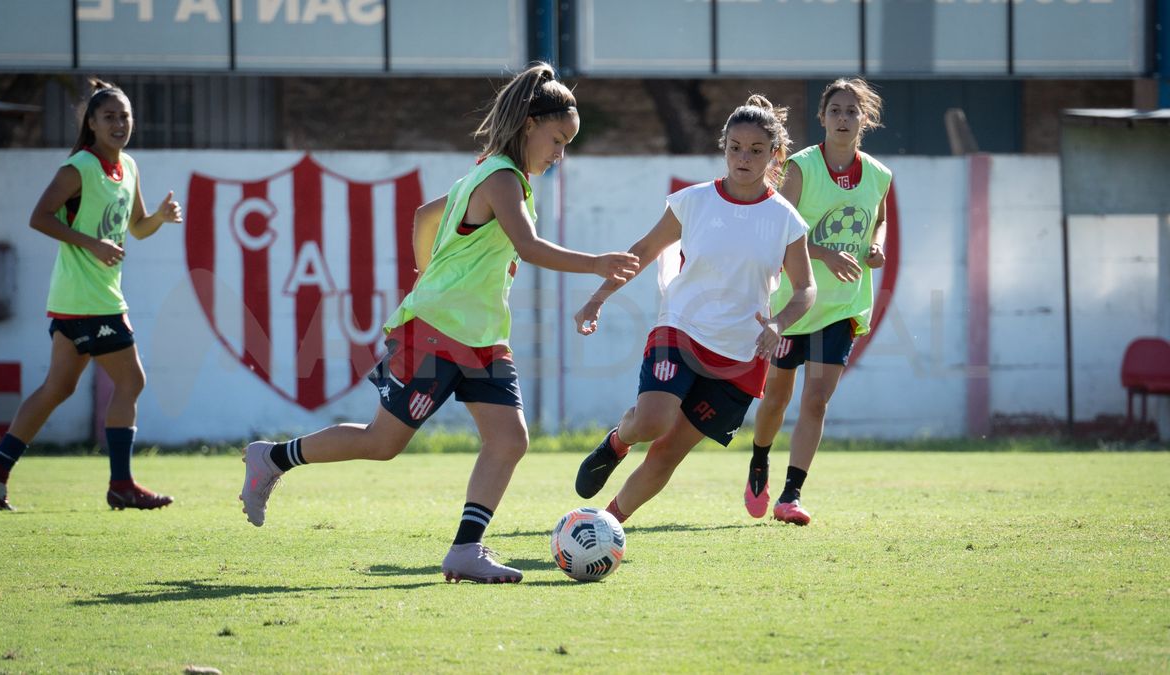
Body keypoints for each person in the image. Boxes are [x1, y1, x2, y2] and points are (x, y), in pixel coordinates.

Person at [237, 63, 639, 584]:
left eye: (568, 145)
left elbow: (426, 215)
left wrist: (434, 268)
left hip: (481, 336)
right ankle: (272, 458)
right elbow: (529, 247)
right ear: (528, 125)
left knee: (510, 439)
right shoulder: (500, 177)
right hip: (437, 331)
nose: (561, 155)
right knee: (383, 443)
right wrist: (596, 263)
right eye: (559, 140)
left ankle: (465, 551)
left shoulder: (488, 173)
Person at [572, 95, 816, 526]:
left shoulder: (785, 219)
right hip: (681, 329)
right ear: (723, 147)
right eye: (735, 147)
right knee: (651, 422)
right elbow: (643, 251)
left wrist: (779, 323)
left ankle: (605, 525)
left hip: (741, 355)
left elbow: (806, 290)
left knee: (667, 454)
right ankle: (617, 442)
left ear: (775, 154)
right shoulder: (694, 201)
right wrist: (597, 299)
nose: (744, 157)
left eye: (756, 150)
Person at [0, 79, 182, 512]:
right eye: (109, 116)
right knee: (132, 381)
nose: (119, 123)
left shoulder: (129, 167)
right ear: (91, 123)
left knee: (58, 387)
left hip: (80, 299)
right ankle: (121, 484)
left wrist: (159, 217)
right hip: (91, 300)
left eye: (125, 116)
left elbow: (137, 228)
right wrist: (92, 244)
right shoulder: (79, 168)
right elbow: (39, 217)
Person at [743, 78, 892, 526]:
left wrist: (875, 246)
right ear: (822, 118)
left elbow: (878, 220)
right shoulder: (802, 168)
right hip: (794, 304)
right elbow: (779, 231)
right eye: (835, 111)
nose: (843, 118)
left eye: (852, 111)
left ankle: (791, 494)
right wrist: (825, 253)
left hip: (844, 306)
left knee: (817, 399)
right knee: (776, 399)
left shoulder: (880, 175)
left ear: (864, 119)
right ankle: (759, 460)